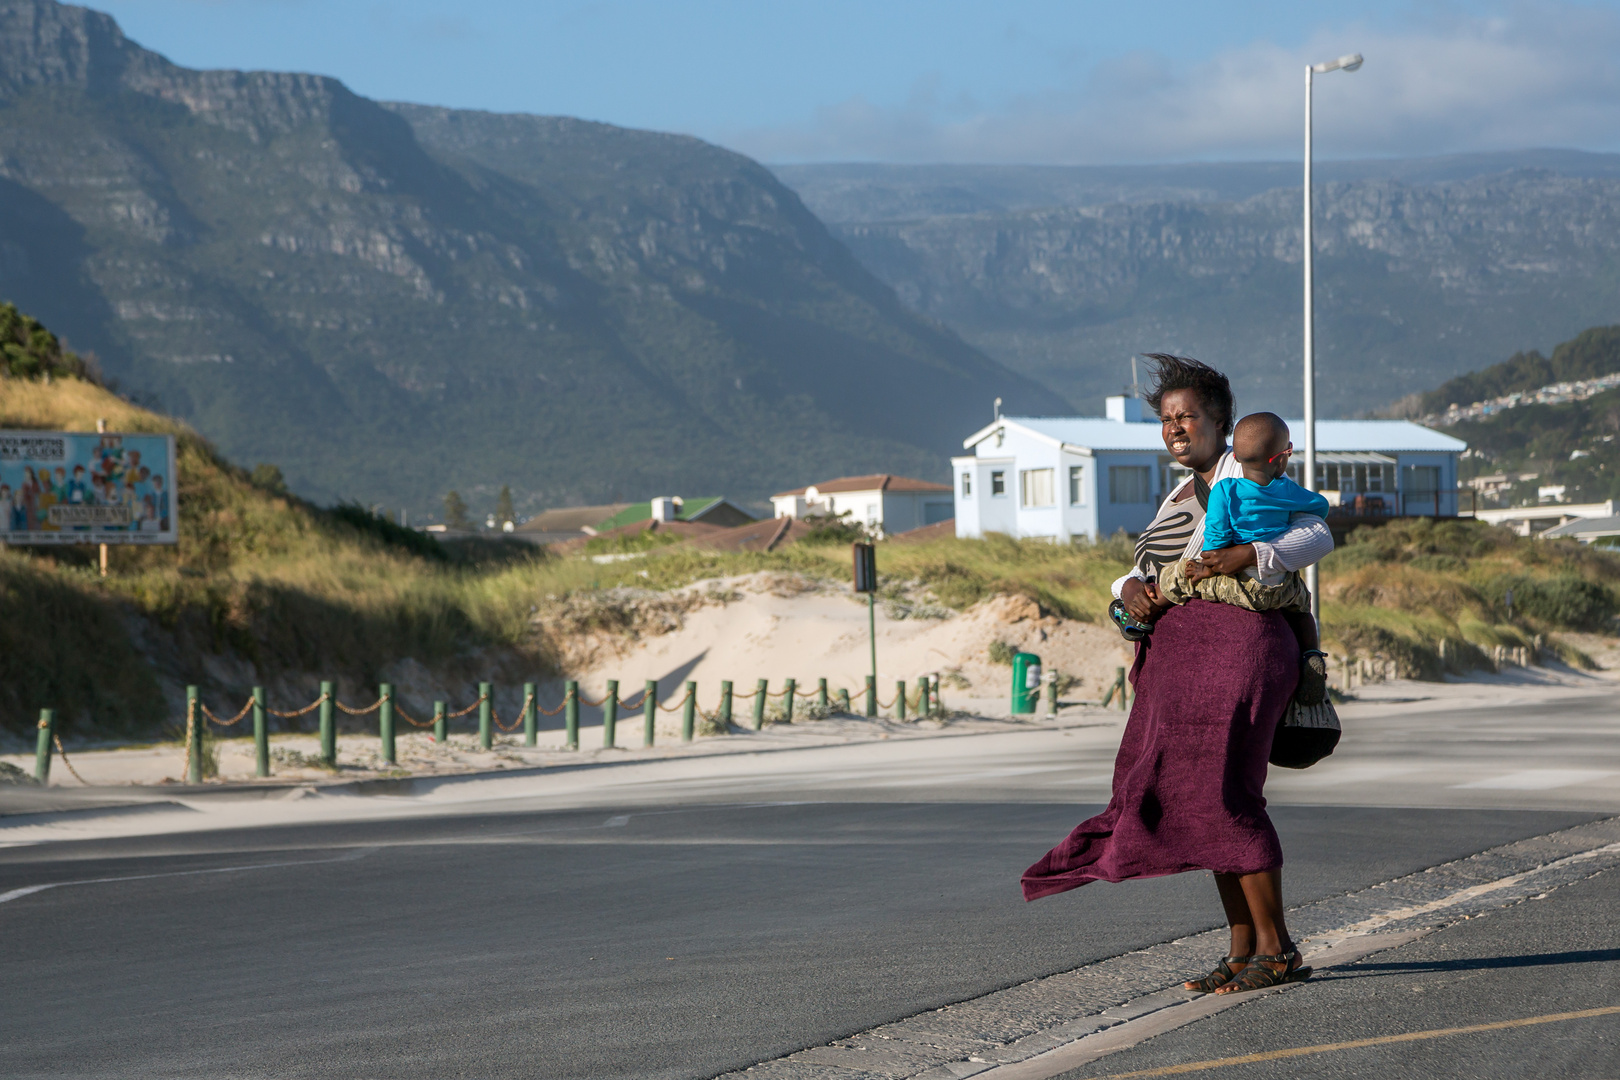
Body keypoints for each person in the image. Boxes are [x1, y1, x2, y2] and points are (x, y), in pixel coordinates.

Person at [1021, 354, 1333, 996]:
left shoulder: (1245, 473)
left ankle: (1277, 951)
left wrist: (1253, 552)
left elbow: (1316, 534)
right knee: (1196, 799)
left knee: (1226, 794)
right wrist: (1129, 588)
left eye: (1189, 415)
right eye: (1167, 419)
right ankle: (1244, 949)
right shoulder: (1176, 495)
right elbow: (1150, 568)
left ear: (1222, 421)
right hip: (1185, 660)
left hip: (1238, 650)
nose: (1176, 428)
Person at [1154, 412, 1327, 655]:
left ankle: (1142, 616)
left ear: (1235, 456)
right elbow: (1321, 506)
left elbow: (1216, 536)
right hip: (1278, 586)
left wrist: (1208, 568)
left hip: (1238, 584)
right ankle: (1312, 656)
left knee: (1178, 575)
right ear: (1280, 460)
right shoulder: (1288, 490)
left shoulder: (1225, 490)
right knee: (1302, 604)